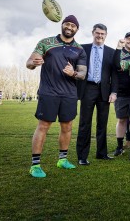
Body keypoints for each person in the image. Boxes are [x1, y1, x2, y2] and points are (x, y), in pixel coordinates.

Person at [26, 15, 87, 178]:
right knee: (43, 126)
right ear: (62, 25)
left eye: (73, 25)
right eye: (67, 24)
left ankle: (62, 159)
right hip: (49, 92)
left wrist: (72, 72)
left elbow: (82, 73)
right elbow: (29, 62)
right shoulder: (46, 42)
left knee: (67, 127)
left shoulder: (80, 49)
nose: (70, 27)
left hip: (69, 94)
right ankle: (35, 165)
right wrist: (33, 63)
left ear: (77, 29)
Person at [76, 23, 118, 166]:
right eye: (97, 33)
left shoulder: (111, 52)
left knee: (102, 124)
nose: (100, 36)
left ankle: (101, 153)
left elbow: (114, 74)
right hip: (88, 88)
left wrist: (114, 92)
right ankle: (82, 156)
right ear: (93, 33)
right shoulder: (83, 48)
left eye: (103, 34)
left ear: (106, 35)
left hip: (104, 91)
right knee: (84, 123)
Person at [112, 32, 130, 156]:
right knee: (122, 120)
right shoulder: (119, 53)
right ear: (125, 40)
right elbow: (116, 65)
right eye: (128, 39)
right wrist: (118, 47)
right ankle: (119, 146)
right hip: (122, 93)